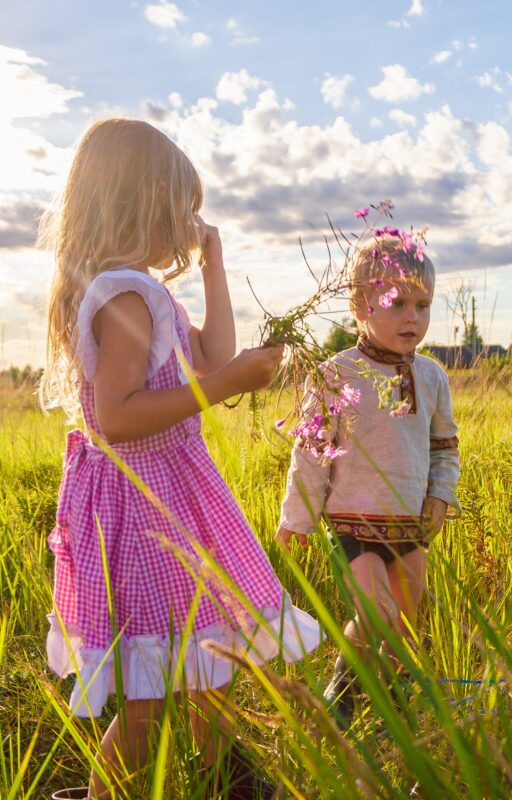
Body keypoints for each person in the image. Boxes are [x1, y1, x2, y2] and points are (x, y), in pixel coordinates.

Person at [39, 118, 321, 800]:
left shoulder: (143, 289)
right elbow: (118, 417)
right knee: (149, 703)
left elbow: (213, 356)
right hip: (143, 507)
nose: (192, 221)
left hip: (166, 495)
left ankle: (235, 783)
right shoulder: (125, 294)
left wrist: (214, 269)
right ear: (143, 204)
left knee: (206, 670)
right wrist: (225, 389)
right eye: (182, 206)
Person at [276, 233, 460, 722]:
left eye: (423, 305)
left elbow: (444, 445)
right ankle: (342, 699)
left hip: (410, 524)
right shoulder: (336, 374)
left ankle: (391, 711)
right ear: (360, 304)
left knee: (403, 624)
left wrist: (440, 496)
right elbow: (312, 451)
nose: (413, 317)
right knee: (376, 613)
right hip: (351, 520)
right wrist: (298, 517)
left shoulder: (432, 376)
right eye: (397, 302)